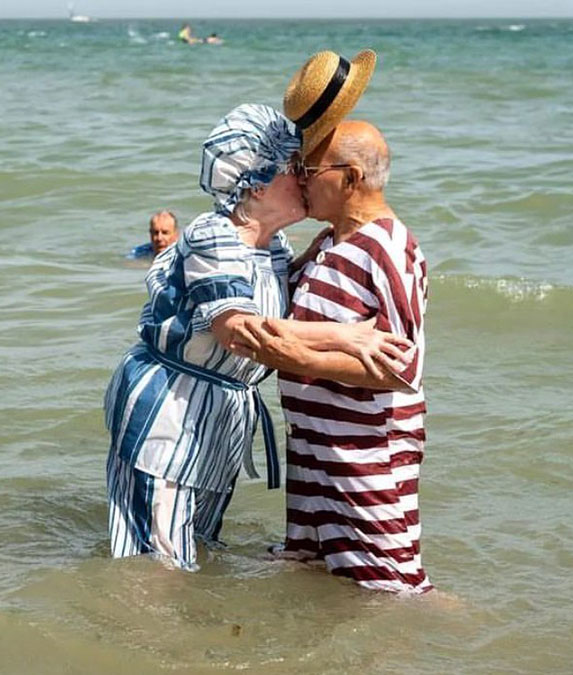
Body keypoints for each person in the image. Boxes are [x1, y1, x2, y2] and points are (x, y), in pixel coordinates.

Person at [103, 103, 411, 572]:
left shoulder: (276, 248)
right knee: (155, 567)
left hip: (219, 416)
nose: (305, 178)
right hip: (169, 413)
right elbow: (239, 332)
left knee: (197, 550)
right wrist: (347, 338)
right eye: (295, 167)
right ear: (256, 184)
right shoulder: (214, 236)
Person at [232, 57, 433, 592]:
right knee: (313, 577)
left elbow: (401, 368)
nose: (300, 181)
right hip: (314, 447)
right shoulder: (327, 242)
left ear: (350, 179)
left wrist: (298, 358)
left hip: (365, 450)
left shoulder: (388, 248)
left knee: (394, 590)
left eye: (309, 171)